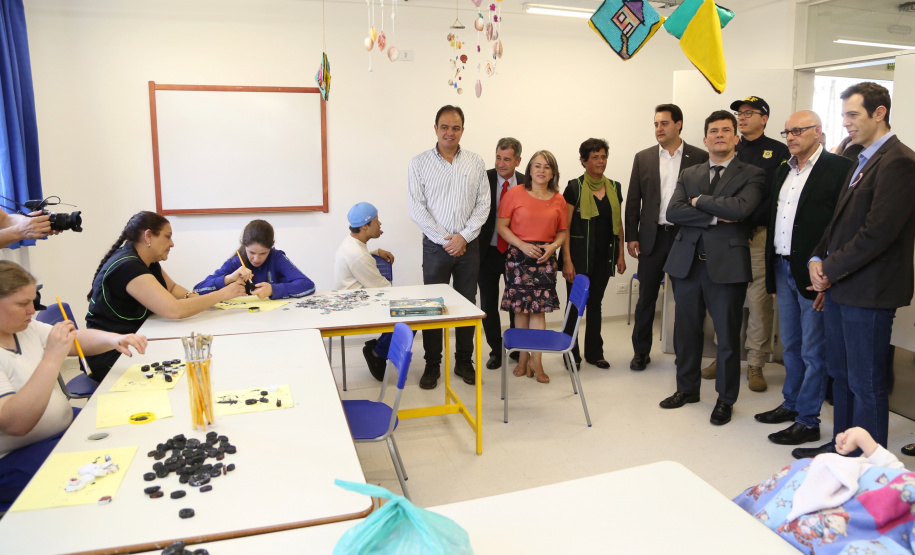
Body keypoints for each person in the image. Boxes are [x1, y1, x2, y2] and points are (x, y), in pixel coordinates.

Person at [796, 82, 915, 459]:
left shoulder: (899, 161)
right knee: (841, 375)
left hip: (871, 291)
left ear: (879, 113)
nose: (845, 123)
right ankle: (840, 448)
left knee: (867, 383)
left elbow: (878, 233)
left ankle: (869, 464)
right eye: (844, 114)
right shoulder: (859, 157)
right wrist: (817, 258)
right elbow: (838, 223)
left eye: (853, 114)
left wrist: (829, 269)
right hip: (844, 286)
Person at [0, 261, 147, 505]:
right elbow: (17, 424)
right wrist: (51, 358)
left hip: (60, 430)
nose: (32, 310)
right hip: (13, 459)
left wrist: (113, 339)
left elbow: (73, 339)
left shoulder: (24, 328)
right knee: (111, 474)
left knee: (129, 427)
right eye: (22, 304)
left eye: (32, 301)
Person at [659, 110, 765, 426]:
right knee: (686, 332)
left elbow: (742, 208)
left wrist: (698, 201)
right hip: (687, 264)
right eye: (713, 131)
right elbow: (673, 211)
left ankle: (725, 400)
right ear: (705, 139)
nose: (719, 135)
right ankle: (687, 389)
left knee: (728, 336)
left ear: (736, 137)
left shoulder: (753, 173)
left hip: (727, 266)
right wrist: (716, 215)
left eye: (726, 130)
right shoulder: (689, 172)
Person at [757, 110, 853, 447]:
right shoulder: (785, 169)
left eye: (798, 130)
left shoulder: (839, 169)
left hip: (815, 273)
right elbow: (775, 220)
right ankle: (792, 402)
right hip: (783, 268)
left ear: (818, 131)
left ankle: (808, 420)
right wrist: (771, 275)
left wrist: (829, 269)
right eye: (787, 132)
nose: (791, 137)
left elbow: (843, 226)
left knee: (814, 351)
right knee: (791, 345)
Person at [85, 211, 245, 381]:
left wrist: (198, 299)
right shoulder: (129, 267)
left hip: (134, 340)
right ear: (148, 236)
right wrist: (222, 294)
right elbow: (174, 310)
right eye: (167, 237)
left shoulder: (147, 261)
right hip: (113, 354)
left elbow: (173, 288)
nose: (172, 243)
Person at [701, 96, 789, 393]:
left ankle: (755, 362)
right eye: (740, 113)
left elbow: (775, 198)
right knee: (725, 299)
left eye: (749, 113)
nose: (742, 117)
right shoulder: (727, 149)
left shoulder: (778, 152)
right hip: (725, 235)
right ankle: (724, 356)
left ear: (764, 118)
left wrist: (749, 224)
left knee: (757, 301)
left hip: (757, 237)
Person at [407, 105, 489, 389]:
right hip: (435, 247)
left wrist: (463, 237)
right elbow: (417, 209)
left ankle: (464, 361)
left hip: (469, 247)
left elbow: (483, 205)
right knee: (433, 307)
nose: (449, 132)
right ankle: (432, 364)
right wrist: (447, 240)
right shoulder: (418, 163)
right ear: (435, 129)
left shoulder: (476, 163)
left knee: (467, 304)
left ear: (462, 130)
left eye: (455, 128)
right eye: (444, 127)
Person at [625, 104, 709, 371]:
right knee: (646, 298)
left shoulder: (699, 157)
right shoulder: (644, 157)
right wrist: (631, 236)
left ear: (679, 124)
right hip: (653, 237)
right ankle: (641, 352)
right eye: (656, 124)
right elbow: (633, 200)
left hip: (686, 237)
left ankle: (684, 354)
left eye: (664, 123)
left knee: (687, 299)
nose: (659, 129)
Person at [497, 150, 568, 384]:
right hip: (519, 256)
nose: (541, 170)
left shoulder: (558, 199)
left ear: (553, 173)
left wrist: (554, 246)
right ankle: (522, 359)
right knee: (520, 310)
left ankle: (537, 362)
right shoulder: (515, 193)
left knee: (538, 311)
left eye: (547, 167)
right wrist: (523, 245)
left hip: (545, 259)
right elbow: (502, 226)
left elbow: (563, 231)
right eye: (537, 165)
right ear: (528, 169)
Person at [560, 138, 625, 370]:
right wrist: (566, 260)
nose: (600, 161)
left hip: (603, 257)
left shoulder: (615, 187)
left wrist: (621, 255)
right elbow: (564, 227)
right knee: (575, 306)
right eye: (595, 157)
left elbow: (618, 223)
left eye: (603, 156)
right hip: (578, 258)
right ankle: (570, 353)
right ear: (584, 161)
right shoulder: (574, 187)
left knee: (595, 304)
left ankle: (594, 352)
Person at [333, 202, 395, 381]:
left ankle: (378, 349)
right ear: (365, 226)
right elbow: (382, 288)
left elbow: (360, 258)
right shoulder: (358, 255)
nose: (380, 224)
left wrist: (376, 251)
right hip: (356, 305)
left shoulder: (352, 243)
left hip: (353, 298)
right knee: (410, 319)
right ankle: (378, 352)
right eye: (377, 221)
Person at [479, 138, 524, 370]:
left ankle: (515, 347)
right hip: (486, 252)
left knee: (516, 302)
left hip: (516, 253)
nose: (501, 163)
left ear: (518, 160)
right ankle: (495, 350)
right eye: (498, 157)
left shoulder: (527, 183)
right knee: (488, 301)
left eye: (507, 159)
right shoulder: (483, 179)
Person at [195, 219, 315, 300]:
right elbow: (197, 290)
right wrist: (228, 278)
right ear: (243, 244)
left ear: (271, 246)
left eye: (263, 253)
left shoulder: (276, 258)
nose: (257, 259)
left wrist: (273, 289)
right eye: (251, 252)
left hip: (275, 319)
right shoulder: (235, 262)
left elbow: (308, 285)